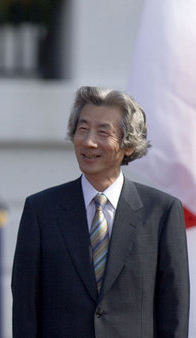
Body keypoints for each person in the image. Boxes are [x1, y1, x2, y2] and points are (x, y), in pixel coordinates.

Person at [11, 86, 189, 337]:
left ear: (128, 145)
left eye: (103, 132)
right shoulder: (41, 211)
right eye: (82, 129)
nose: (89, 141)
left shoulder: (162, 213)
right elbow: (25, 310)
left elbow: (174, 311)